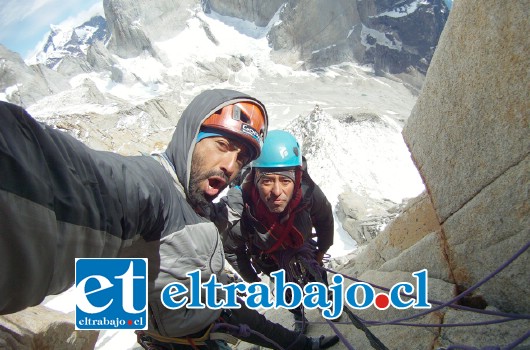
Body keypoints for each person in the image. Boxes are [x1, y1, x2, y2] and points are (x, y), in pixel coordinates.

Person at [0, 90, 339, 349]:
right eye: (222, 144)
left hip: (208, 311)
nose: (230, 165)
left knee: (261, 325)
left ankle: (302, 344)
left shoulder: (199, 200)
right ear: (191, 135)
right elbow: (78, 182)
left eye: (241, 158)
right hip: (176, 337)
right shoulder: (149, 187)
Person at [223, 130, 335, 334]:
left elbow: (325, 219)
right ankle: (298, 314)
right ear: (256, 180)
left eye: (285, 181)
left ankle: (325, 299)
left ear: (297, 178)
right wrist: (253, 280)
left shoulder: (308, 194)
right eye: (267, 181)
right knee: (286, 291)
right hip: (268, 258)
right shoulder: (241, 211)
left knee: (316, 274)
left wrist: (321, 251)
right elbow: (232, 250)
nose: (276, 191)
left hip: (301, 248)